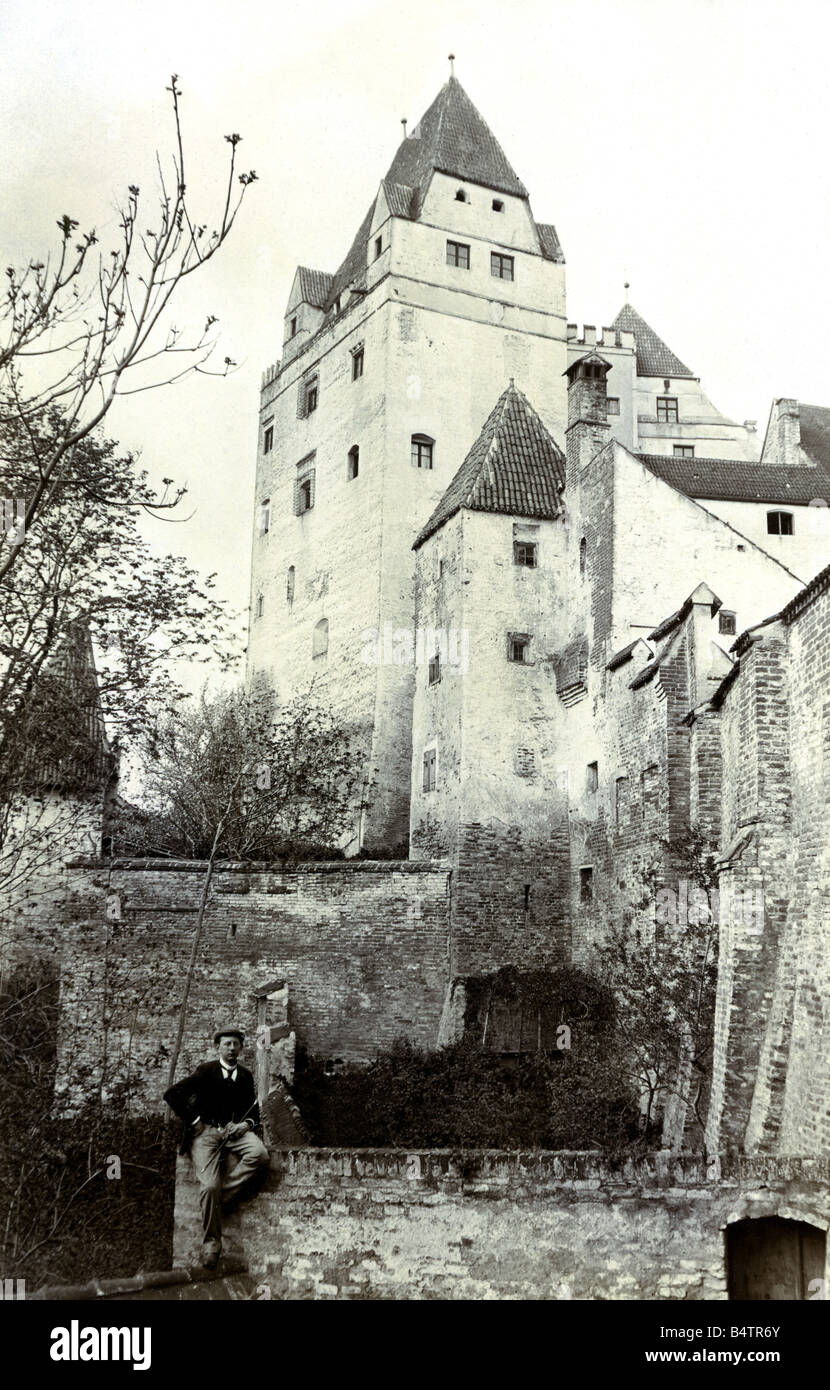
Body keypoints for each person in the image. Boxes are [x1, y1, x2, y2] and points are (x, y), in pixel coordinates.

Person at [164, 1027, 270, 1268]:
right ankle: (212, 1245)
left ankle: (220, 1200)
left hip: (235, 1133)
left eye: (235, 1044)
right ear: (218, 1048)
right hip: (206, 1135)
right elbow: (172, 1094)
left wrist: (244, 1125)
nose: (231, 1049)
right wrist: (195, 1122)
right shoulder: (205, 1072)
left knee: (260, 1154)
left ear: (241, 1048)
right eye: (227, 1044)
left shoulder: (245, 1076)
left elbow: (254, 1111)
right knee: (209, 1185)